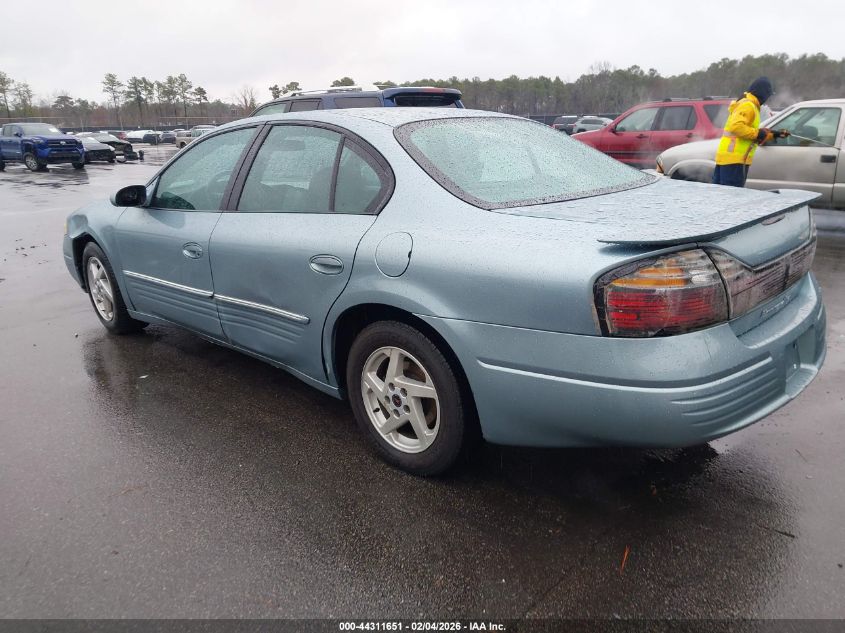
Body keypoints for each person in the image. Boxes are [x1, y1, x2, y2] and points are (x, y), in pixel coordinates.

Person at [712, 76, 787, 187]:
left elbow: (749, 130)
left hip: (728, 158)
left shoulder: (748, 103)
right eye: (768, 95)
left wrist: (774, 134)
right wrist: (757, 134)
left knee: (721, 197)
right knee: (731, 198)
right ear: (763, 94)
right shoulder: (748, 105)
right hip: (735, 161)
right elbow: (736, 127)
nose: (767, 99)